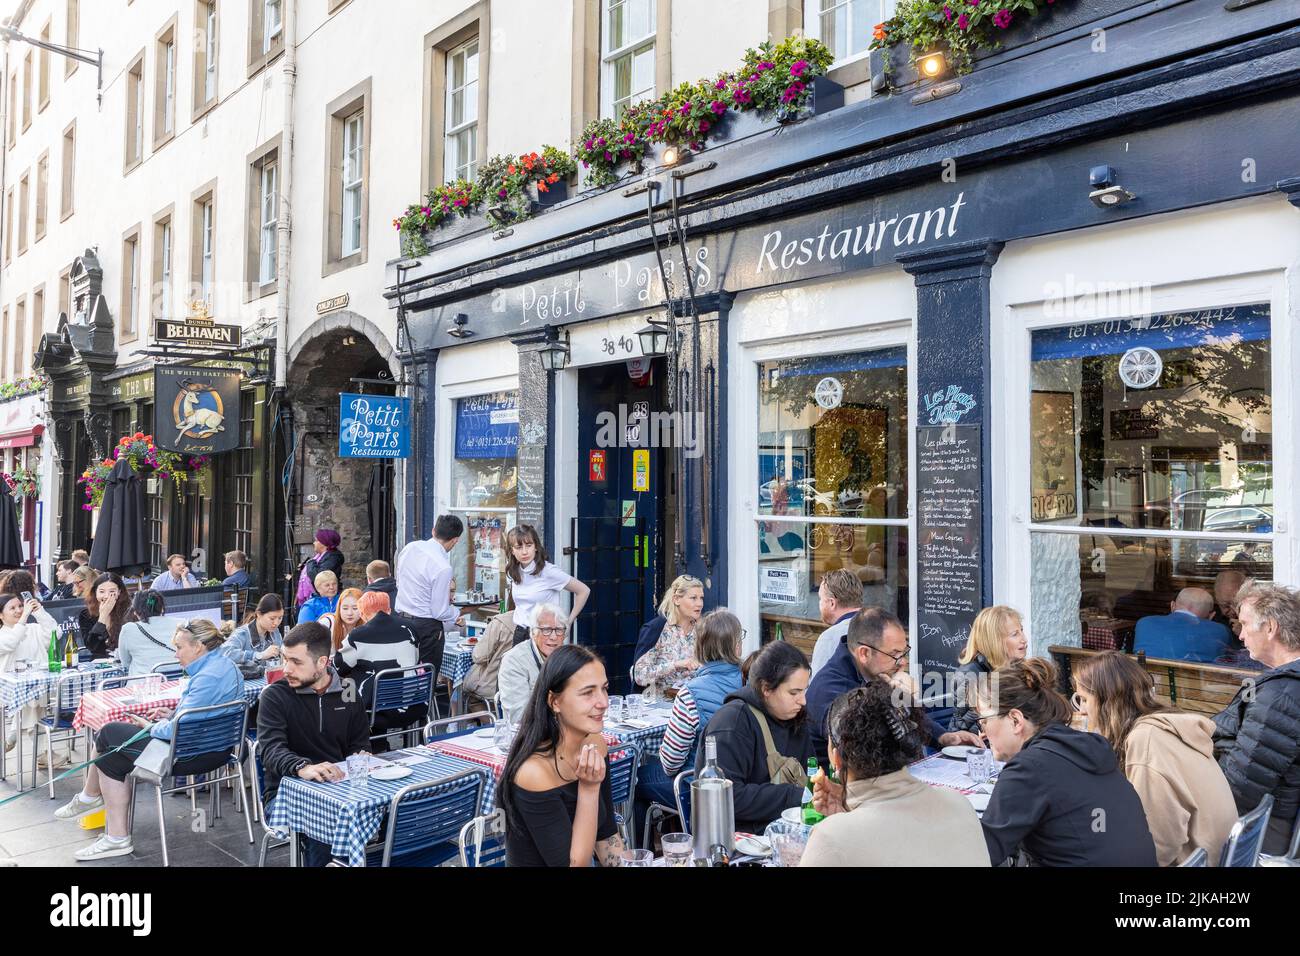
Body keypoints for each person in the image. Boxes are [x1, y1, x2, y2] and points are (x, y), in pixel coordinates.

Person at [54, 619, 244, 861]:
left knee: (107, 733)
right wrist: (172, 715)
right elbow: (203, 713)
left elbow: (177, 729)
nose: (176, 655)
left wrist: (153, 726)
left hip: (190, 755)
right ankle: (112, 831)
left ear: (198, 647)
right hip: (218, 749)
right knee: (110, 758)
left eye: (179, 647)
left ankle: (94, 804)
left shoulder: (207, 677)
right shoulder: (226, 666)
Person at [976, 658, 1157, 866]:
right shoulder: (1087, 747)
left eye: (984, 721)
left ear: (1016, 720)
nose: (982, 733)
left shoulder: (1029, 769)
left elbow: (981, 855)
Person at [1073, 651, 1237, 865]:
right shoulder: (1168, 723)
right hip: (1217, 855)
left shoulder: (1146, 740)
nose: (1082, 711)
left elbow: (1157, 843)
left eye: (1084, 700)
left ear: (1107, 701)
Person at [800, 681, 990, 867]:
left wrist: (842, 823)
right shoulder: (959, 803)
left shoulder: (832, 837)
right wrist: (848, 811)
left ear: (836, 758)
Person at [499, 644, 626, 866]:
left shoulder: (595, 744)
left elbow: (606, 835)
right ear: (554, 701)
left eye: (604, 688)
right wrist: (589, 789)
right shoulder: (534, 772)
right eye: (588, 693)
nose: (603, 702)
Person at [257, 621, 371, 866]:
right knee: (324, 823)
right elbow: (270, 750)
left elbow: (359, 744)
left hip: (341, 791)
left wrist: (361, 758)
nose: (286, 669)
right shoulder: (275, 696)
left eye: (296, 662)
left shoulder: (348, 691)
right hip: (285, 795)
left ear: (322, 663)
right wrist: (302, 767)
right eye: (285, 659)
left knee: (392, 812)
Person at [806, 607, 981, 765]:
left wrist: (944, 737)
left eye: (904, 652)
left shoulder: (876, 671)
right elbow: (866, 747)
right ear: (864, 653)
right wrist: (896, 700)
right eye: (895, 654)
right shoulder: (828, 689)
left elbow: (909, 720)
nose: (903, 662)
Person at [1211, 580, 1300, 855]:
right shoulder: (1283, 686)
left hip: (1264, 828)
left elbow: (1240, 787)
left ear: (1270, 628)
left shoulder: (1281, 695)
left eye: (1246, 624)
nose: (1240, 635)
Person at [696, 640, 815, 833]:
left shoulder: (795, 715)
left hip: (789, 830)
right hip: (737, 839)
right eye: (794, 692)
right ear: (766, 689)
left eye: (804, 690)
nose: (803, 700)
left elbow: (811, 770)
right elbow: (729, 797)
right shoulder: (731, 723)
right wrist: (793, 795)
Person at [658, 608, 744, 777]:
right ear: (735, 647)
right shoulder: (753, 681)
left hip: (701, 784)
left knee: (636, 778)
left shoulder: (689, 694)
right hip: (744, 780)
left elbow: (670, 763)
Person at [335, 591, 425, 744]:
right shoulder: (410, 628)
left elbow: (339, 666)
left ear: (362, 614)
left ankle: (366, 745)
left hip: (377, 710)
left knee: (347, 687)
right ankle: (386, 744)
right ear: (389, 610)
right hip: (413, 703)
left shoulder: (358, 635)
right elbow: (415, 660)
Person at [393, 514, 464, 682]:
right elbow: (439, 611)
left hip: (402, 621)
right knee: (424, 680)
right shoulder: (443, 567)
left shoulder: (410, 548)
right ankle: (422, 708)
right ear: (455, 540)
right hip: (426, 628)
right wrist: (456, 613)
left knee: (403, 675)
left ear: (433, 531)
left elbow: (399, 582)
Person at [948, 606, 1030, 736]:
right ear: (994, 640)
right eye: (1015, 634)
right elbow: (965, 728)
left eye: (1022, 630)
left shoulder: (1016, 667)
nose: (1024, 639)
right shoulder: (969, 675)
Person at [504, 524, 589, 647]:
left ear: (536, 547)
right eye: (519, 547)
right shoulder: (515, 571)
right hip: (520, 633)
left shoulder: (548, 571)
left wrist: (568, 622)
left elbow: (583, 590)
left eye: (529, 545)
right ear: (512, 550)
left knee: (545, 667)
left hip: (545, 634)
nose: (524, 551)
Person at [1, 591, 57, 755]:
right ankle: (43, 754)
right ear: (1, 615)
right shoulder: (3, 634)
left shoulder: (33, 628)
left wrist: (39, 612)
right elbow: (11, 642)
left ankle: (13, 735)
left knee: (32, 700)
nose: (19, 610)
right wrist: (25, 616)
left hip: (39, 687)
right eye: (12, 608)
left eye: (20, 605)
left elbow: (55, 633)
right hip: (9, 690)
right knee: (32, 702)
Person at [632, 574, 704, 697]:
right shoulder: (656, 629)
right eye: (693, 598)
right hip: (660, 705)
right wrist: (675, 665)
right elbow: (639, 676)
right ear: (676, 599)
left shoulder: (703, 628)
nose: (699, 604)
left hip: (695, 700)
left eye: (701, 598)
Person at [498, 604, 568, 723]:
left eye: (559, 630)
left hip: (565, 727)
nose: (553, 636)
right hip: (530, 735)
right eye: (546, 630)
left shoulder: (567, 657)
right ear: (533, 632)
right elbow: (519, 717)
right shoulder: (514, 661)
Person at [1134, 587, 1234, 663]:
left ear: (1172, 606)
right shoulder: (1221, 631)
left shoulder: (1143, 624)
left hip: (1147, 687)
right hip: (1195, 688)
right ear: (1211, 615)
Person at [809, 569, 865, 676]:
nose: (819, 604)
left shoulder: (829, 638)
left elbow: (817, 686)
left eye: (821, 599)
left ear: (832, 603)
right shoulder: (879, 626)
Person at [462, 609, 517, 713]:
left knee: (466, 693)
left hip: (494, 683)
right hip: (520, 685)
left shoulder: (500, 622)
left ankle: (491, 723)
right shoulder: (540, 621)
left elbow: (479, 656)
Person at [117, 591, 184, 676]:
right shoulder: (181, 623)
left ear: (135, 611)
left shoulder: (128, 629)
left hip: (142, 684)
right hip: (177, 680)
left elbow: (126, 663)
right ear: (162, 608)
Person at [222, 594, 286, 666]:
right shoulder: (242, 633)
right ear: (258, 614)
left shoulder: (275, 632)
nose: (276, 623)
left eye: (280, 618)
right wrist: (259, 655)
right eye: (272, 618)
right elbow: (225, 653)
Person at [78, 572, 129, 659]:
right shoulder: (86, 614)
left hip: (123, 659)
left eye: (112, 592)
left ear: (119, 592)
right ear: (95, 592)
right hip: (100, 661)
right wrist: (103, 616)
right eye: (102, 592)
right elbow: (92, 646)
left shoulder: (128, 610)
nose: (106, 596)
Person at [296, 529, 344, 607]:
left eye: (316, 540)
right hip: (319, 598)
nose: (314, 543)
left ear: (323, 543)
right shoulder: (320, 557)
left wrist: (310, 563)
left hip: (324, 600)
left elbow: (317, 576)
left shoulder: (332, 558)